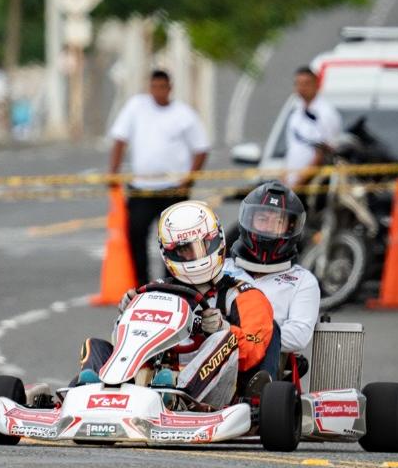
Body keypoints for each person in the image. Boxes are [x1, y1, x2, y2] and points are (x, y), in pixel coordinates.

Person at [60, 201, 278, 401]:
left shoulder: (244, 295)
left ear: (218, 241)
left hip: (216, 394)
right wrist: (129, 313)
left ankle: (178, 397)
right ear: (169, 253)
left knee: (224, 339)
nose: (196, 256)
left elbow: (253, 352)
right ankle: (93, 394)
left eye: (203, 245)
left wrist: (223, 327)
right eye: (185, 250)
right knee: (95, 346)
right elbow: (127, 343)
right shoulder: (156, 290)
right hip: (155, 379)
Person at [107, 70, 210, 284]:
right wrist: (113, 172)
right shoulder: (137, 107)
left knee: (174, 239)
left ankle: (172, 281)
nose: (158, 92)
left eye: (162, 87)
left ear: (170, 88)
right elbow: (119, 139)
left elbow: (201, 148)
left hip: (172, 189)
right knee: (136, 234)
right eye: (154, 87)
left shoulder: (183, 114)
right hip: (142, 187)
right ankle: (141, 282)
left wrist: (188, 180)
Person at [228, 182, 321, 358]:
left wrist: (242, 337)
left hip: (266, 370)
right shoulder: (221, 270)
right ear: (248, 220)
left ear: (291, 228)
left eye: (278, 222)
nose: (269, 228)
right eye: (262, 220)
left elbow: (298, 336)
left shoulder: (302, 281)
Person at [282, 66, 343, 188]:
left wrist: (301, 182)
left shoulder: (326, 113)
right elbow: (292, 149)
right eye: (298, 84)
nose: (302, 88)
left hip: (313, 184)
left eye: (306, 84)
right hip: (292, 182)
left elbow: (324, 152)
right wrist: (284, 179)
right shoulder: (296, 113)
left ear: (316, 85)